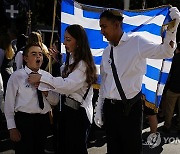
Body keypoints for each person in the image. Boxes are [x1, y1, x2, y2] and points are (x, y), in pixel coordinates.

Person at [94, 7, 180, 154]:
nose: (101, 31)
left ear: (116, 25)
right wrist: (99, 108)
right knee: (113, 150)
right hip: (110, 109)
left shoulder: (136, 42)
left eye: (104, 26)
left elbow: (166, 51)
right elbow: (105, 81)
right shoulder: (107, 51)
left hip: (129, 109)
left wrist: (173, 29)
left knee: (131, 150)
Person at [28, 24, 97, 154]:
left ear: (78, 41)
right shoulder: (71, 58)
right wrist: (59, 60)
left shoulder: (83, 64)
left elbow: (67, 85)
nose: (64, 43)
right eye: (64, 39)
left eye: (68, 39)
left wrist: (42, 77)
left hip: (78, 114)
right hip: (67, 112)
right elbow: (65, 74)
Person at [4, 43, 59, 154]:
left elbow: (55, 100)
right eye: (34, 54)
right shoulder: (17, 76)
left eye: (40, 54)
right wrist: (12, 127)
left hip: (42, 121)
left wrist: (43, 87)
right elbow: (9, 104)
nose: (38, 57)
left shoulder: (47, 76)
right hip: (24, 121)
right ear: (25, 58)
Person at [162, 42, 180, 133]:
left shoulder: (174, 59)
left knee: (169, 109)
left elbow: (169, 72)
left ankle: (167, 126)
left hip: (173, 87)